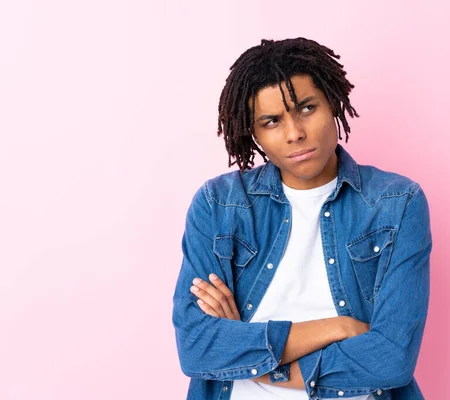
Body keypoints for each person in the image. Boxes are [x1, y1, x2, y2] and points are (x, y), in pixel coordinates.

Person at [172, 37, 432, 400]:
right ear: (254, 132)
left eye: (307, 108)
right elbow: (197, 345)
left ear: (333, 104)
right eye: (271, 121)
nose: (294, 133)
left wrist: (253, 356)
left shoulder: (396, 203)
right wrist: (337, 328)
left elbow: (390, 359)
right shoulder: (219, 204)